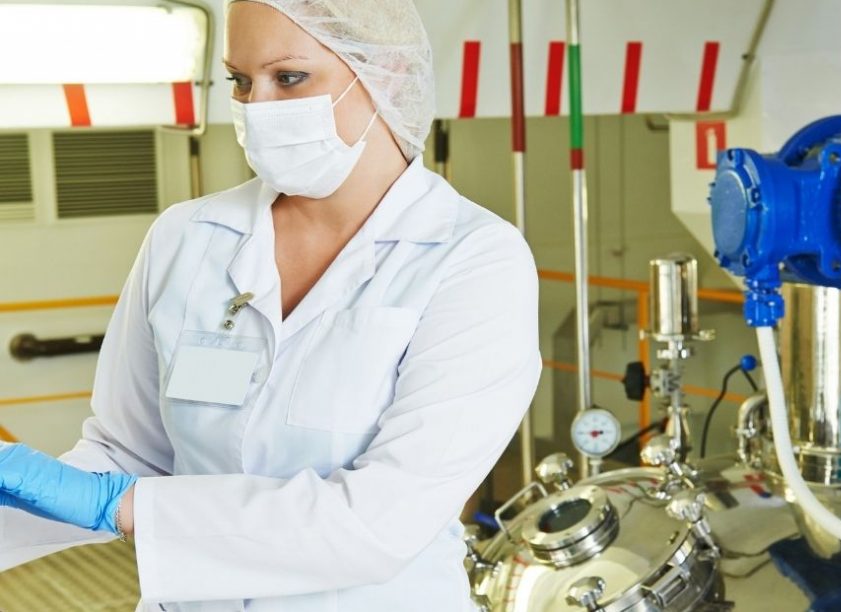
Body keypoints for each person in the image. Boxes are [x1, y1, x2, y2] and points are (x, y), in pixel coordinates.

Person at [0, 0, 541, 609]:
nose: (257, 107)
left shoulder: (474, 260)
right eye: (240, 80)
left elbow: (380, 522)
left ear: (386, 73)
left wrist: (120, 506)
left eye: (289, 77)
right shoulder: (187, 237)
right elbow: (128, 454)